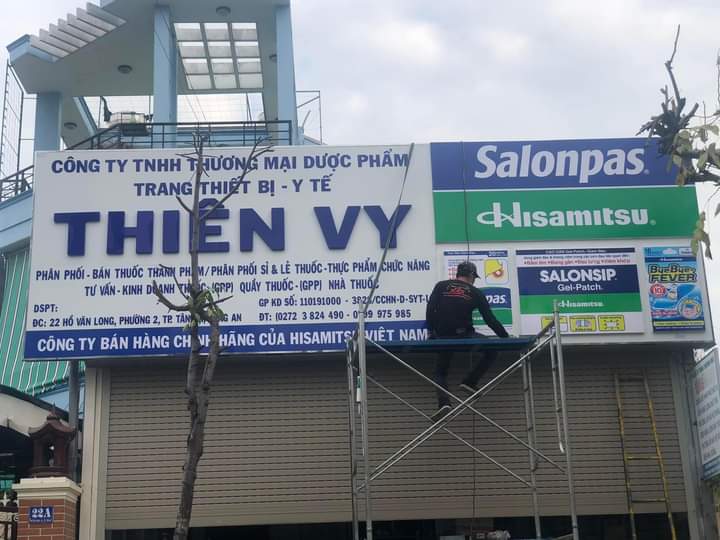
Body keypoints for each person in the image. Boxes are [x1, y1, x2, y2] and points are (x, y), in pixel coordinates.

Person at [425, 261, 509, 420]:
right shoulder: (475, 292)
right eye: (474, 277)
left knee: (440, 372)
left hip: (442, 336)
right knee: (491, 351)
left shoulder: (441, 286)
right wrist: (505, 338)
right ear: (471, 275)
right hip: (464, 336)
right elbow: (490, 320)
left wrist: (431, 332)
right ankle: (470, 382)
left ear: (458, 274)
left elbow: (430, 309)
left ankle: (444, 403)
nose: (474, 280)